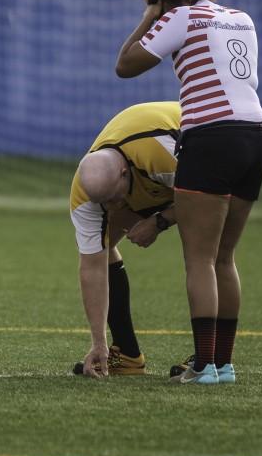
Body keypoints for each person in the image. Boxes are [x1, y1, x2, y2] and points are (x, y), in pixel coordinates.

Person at [115, 0, 262, 385]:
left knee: (199, 259)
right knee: (224, 256)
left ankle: (203, 366)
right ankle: (223, 364)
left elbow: (125, 65)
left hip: (211, 135)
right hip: (256, 136)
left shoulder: (177, 17)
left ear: (164, 3)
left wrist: (148, 18)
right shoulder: (240, 18)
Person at [72, 101, 182, 378]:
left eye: (112, 199)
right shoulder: (85, 196)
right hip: (147, 182)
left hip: (205, 165)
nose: (109, 207)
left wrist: (159, 222)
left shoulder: (162, 154)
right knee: (103, 247)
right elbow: (91, 266)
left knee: (203, 252)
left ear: (124, 173)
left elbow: (210, 197)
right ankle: (128, 356)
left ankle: (210, 360)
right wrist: (99, 343)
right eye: (103, 202)